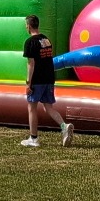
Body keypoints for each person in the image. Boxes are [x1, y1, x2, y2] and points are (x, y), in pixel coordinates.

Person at [20, 15, 73, 147]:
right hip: (49, 78)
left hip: (37, 79)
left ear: (28, 26)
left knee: (31, 108)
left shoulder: (30, 42)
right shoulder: (46, 40)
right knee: (48, 107)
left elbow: (31, 64)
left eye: (26, 25)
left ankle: (33, 138)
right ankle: (64, 126)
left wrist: (28, 82)